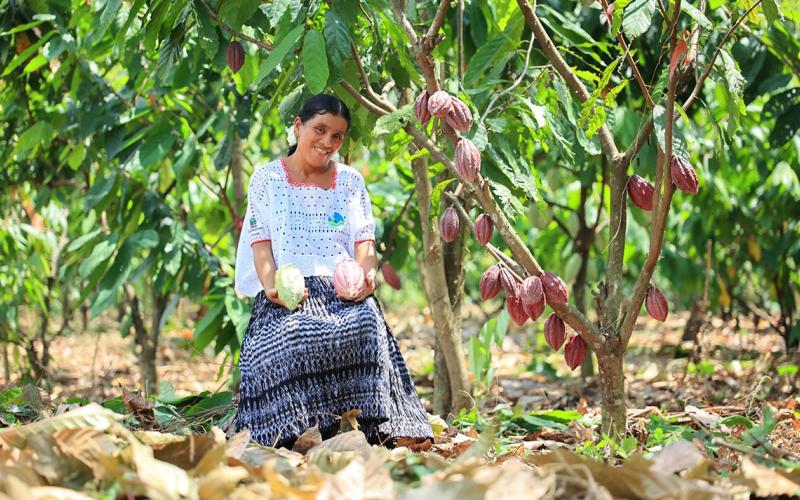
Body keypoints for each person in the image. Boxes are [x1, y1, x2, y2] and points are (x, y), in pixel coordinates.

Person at [233, 94, 432, 448]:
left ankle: (375, 428)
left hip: (342, 293)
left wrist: (366, 277)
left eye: (337, 136)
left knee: (367, 323)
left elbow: (363, 244)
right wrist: (271, 288)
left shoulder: (350, 181)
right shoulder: (267, 179)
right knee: (291, 336)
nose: (328, 143)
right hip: (288, 294)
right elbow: (260, 245)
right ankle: (293, 431)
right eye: (320, 130)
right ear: (298, 126)